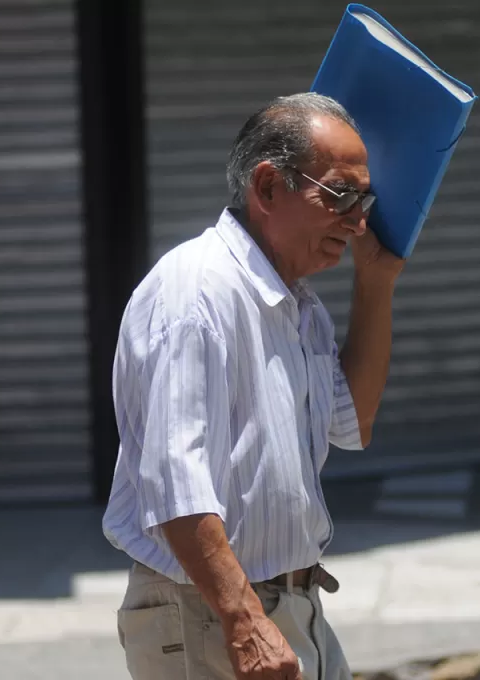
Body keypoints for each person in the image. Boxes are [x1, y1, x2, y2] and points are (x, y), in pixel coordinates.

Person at [102, 92, 403, 680]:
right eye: (341, 195)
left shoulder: (299, 304)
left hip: (290, 607)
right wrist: (242, 621)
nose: (359, 220)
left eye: (363, 199)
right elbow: (173, 481)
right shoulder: (196, 292)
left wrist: (377, 283)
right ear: (268, 187)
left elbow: (353, 421)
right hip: (210, 616)